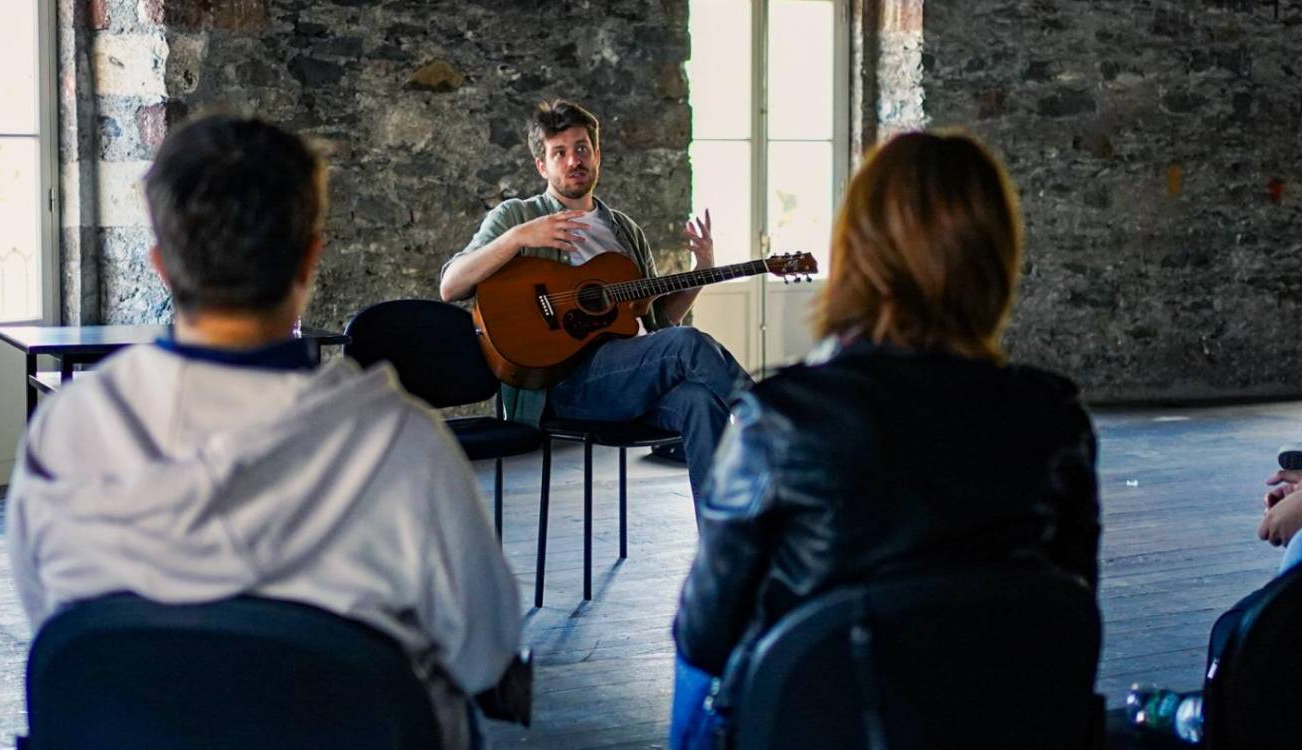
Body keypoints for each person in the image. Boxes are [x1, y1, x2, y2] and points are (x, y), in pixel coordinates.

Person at [4, 115, 520, 749]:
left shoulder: (65, 432)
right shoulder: (402, 446)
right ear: (309, 256)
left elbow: (56, 627)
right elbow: (485, 652)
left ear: (162, 266)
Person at [669, 131, 1102, 748]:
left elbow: (706, 633)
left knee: (697, 668)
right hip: (999, 726)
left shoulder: (780, 420)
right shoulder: (1056, 419)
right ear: (996, 259)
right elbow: (1071, 620)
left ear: (857, 255)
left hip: (822, 726)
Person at [440, 99, 750, 506]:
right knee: (689, 343)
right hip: (566, 385)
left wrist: (702, 270)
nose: (574, 160)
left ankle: (728, 552)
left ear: (597, 155)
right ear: (542, 166)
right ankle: (779, 425)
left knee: (699, 400)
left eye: (582, 148)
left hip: (633, 378)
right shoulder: (518, 216)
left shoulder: (624, 230)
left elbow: (658, 324)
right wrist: (517, 239)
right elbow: (451, 285)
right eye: (560, 153)